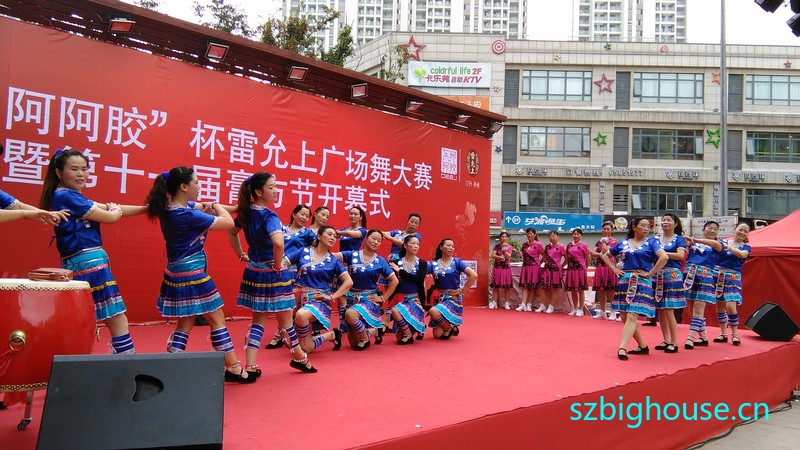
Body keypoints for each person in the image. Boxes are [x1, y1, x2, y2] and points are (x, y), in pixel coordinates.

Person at [145, 166, 254, 383]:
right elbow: (227, 222)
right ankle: (233, 367)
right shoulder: (186, 215)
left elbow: (204, 206)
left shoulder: (169, 207)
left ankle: (172, 362)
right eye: (196, 182)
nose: (200, 186)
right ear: (184, 187)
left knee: (186, 320)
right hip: (192, 274)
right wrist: (218, 207)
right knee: (217, 317)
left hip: (177, 271)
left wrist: (238, 207)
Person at [40, 148, 145, 356]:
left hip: (81, 261)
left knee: (89, 317)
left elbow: (111, 208)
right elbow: (111, 215)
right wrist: (115, 210)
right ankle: (127, 361)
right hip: (89, 262)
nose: (81, 174)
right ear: (59, 172)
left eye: (84, 169)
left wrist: (147, 209)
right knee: (115, 316)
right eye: (74, 169)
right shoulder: (66, 196)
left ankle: (86, 361)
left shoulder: (69, 196)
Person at [227, 172, 316, 374]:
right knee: (286, 322)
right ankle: (300, 358)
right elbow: (278, 243)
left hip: (254, 271)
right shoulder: (269, 216)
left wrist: (241, 254)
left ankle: (251, 365)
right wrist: (277, 265)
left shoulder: (247, 213)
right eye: (271, 187)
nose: (276, 191)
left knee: (258, 320)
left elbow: (231, 232)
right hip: (273, 273)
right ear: (259, 192)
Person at [601, 217, 668, 360]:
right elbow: (606, 256)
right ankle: (643, 346)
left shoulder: (652, 242)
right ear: (634, 227)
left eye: (648, 226)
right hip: (625, 280)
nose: (646, 228)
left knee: (632, 314)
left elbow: (664, 257)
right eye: (643, 225)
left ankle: (622, 348)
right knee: (625, 316)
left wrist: (650, 273)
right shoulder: (623, 243)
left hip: (642, 281)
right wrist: (614, 268)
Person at [289, 225, 354, 354]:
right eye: (329, 234)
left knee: (301, 315)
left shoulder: (334, 261)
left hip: (319, 301)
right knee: (306, 347)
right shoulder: (303, 251)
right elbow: (284, 262)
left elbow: (349, 282)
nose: (332, 238)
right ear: (319, 236)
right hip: (301, 299)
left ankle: (299, 345)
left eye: (334, 236)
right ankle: (331, 335)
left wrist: (332, 297)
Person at [263, 204, 316, 350]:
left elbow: (318, 247)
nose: (304, 218)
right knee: (279, 303)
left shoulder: (308, 233)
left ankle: (280, 335)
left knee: (288, 304)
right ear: (294, 214)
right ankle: (284, 333)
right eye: (302, 214)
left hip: (294, 273)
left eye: (307, 216)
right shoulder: (280, 229)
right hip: (278, 269)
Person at [339, 229, 398, 350]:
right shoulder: (352, 254)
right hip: (351, 299)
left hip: (369, 299)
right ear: (366, 238)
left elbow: (394, 281)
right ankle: (375, 332)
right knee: (354, 343)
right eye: (373, 238)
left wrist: (383, 298)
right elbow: (331, 256)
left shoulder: (380, 261)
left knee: (350, 314)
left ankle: (365, 339)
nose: (376, 242)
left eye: (379, 240)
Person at [683, 221, 723, 350]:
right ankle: (703, 337)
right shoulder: (692, 242)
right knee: (691, 309)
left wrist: (694, 240)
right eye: (709, 228)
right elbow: (683, 245)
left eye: (715, 229)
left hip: (704, 275)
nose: (712, 231)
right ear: (703, 229)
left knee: (698, 309)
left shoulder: (718, 244)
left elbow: (716, 245)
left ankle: (690, 337)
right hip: (690, 274)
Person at [427, 238, 478, 339]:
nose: (451, 248)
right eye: (448, 245)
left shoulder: (457, 262)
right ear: (441, 247)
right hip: (439, 298)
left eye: (452, 246)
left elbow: (473, 275)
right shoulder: (433, 264)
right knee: (437, 335)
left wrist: (462, 291)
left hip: (452, 298)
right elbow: (419, 275)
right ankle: (451, 326)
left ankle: (448, 328)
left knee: (433, 311)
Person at [653, 213, 687, 354]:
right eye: (663, 220)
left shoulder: (679, 239)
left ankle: (674, 341)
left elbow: (680, 256)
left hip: (672, 275)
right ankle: (666, 339)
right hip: (658, 274)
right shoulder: (655, 239)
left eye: (668, 220)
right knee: (660, 309)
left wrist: (661, 254)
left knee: (669, 309)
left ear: (676, 224)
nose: (665, 222)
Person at [713, 222, 751, 346]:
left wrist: (728, 248)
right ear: (735, 229)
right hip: (718, 274)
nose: (742, 232)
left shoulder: (745, 247)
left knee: (730, 305)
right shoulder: (723, 242)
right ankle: (723, 333)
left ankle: (734, 334)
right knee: (719, 305)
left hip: (732, 276)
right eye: (741, 229)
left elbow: (742, 255)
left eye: (745, 231)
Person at [388, 235, 428, 343]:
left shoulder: (422, 263)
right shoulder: (396, 262)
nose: (416, 246)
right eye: (413, 243)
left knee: (395, 311)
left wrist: (400, 271)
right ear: (405, 245)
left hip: (415, 299)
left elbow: (419, 280)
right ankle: (412, 330)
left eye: (418, 244)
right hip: (400, 299)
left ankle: (409, 333)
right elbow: (392, 281)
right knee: (398, 337)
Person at [590, 221, 618, 320]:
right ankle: (602, 311)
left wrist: (605, 242)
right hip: (599, 267)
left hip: (609, 266)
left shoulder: (613, 241)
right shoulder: (599, 241)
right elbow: (593, 253)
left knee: (611, 290)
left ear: (611, 230)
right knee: (601, 290)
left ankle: (613, 311)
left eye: (608, 229)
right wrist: (600, 254)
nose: (606, 230)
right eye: (604, 229)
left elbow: (606, 251)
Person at [536, 230, 565, 314]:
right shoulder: (548, 247)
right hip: (547, 269)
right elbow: (544, 257)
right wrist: (541, 263)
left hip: (556, 270)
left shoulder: (561, 246)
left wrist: (561, 266)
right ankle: (543, 305)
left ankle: (551, 306)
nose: (552, 238)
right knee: (542, 287)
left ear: (557, 236)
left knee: (554, 288)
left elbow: (566, 258)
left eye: (553, 236)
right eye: (550, 236)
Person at [563, 228, 591, 317]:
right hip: (571, 269)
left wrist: (584, 268)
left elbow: (588, 259)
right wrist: (562, 266)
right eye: (574, 234)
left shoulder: (584, 245)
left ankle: (580, 309)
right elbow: (566, 259)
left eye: (578, 234)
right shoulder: (569, 245)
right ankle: (574, 308)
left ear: (581, 235)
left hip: (580, 270)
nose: (576, 236)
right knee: (573, 290)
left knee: (580, 290)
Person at [517, 228, 543, 312]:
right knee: (525, 286)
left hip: (534, 267)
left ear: (535, 235)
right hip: (525, 267)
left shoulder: (538, 244)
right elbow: (523, 255)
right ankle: (523, 304)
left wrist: (538, 263)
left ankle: (529, 304)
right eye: (528, 233)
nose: (529, 235)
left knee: (532, 286)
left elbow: (544, 256)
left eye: (531, 233)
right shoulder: (524, 245)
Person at [489, 231, 514, 310]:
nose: (504, 238)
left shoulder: (509, 247)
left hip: (506, 268)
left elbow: (508, 257)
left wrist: (505, 250)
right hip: (497, 268)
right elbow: (493, 255)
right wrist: (500, 257)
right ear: (500, 238)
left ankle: (507, 303)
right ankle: (494, 302)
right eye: (502, 236)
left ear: (507, 238)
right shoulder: (496, 246)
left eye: (505, 237)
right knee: (495, 286)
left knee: (507, 287)